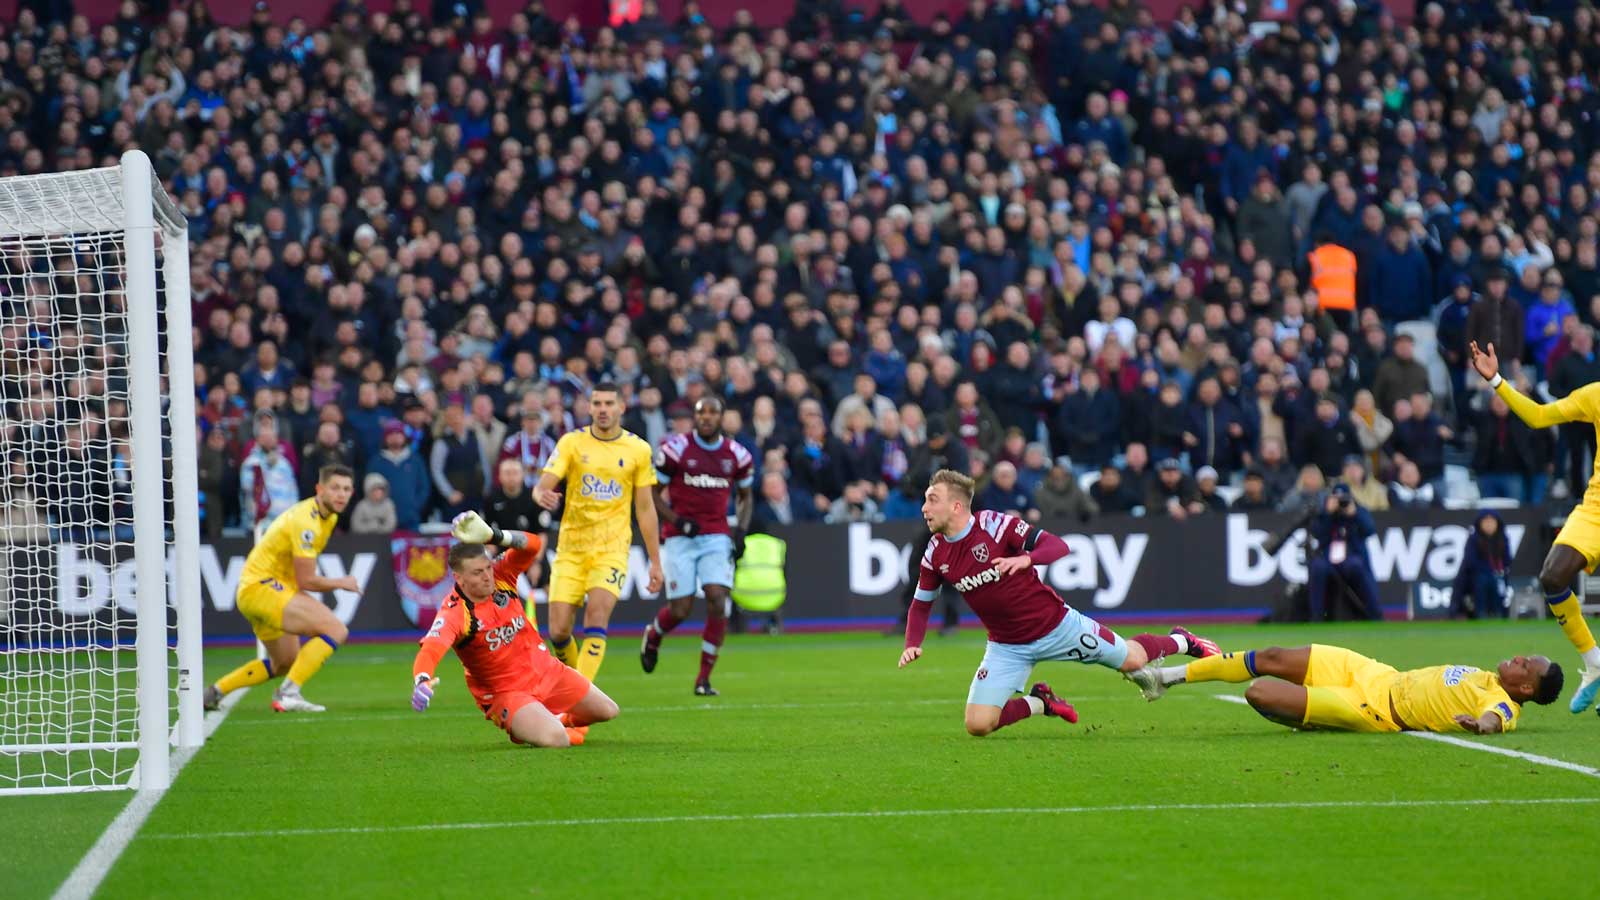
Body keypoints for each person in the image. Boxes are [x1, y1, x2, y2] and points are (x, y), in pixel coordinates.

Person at [898, 469, 1221, 737]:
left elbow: (1058, 545)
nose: (925, 508)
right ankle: (1041, 702)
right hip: (1006, 646)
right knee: (978, 725)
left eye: (932, 500)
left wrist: (1028, 559)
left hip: (1058, 627)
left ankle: (1182, 640)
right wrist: (913, 643)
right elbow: (921, 604)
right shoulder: (934, 552)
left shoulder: (995, 525)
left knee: (1133, 661)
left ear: (956, 506)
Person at [410, 512, 618, 747]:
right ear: (459, 578)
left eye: (487, 567)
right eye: (478, 573)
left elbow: (534, 545)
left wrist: (494, 535)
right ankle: (530, 726)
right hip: (507, 693)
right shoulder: (455, 613)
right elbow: (431, 650)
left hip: (547, 671)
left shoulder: (501, 575)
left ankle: (553, 719)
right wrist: (422, 680)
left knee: (608, 710)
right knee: (557, 740)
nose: (488, 576)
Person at [1469, 340, 1600, 711]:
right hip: (1595, 509)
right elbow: (1540, 416)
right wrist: (1496, 380)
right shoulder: (1595, 395)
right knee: (1552, 578)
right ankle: (1594, 662)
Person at [1129, 644, 1562, 735]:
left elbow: (1495, 720)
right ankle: (1163, 679)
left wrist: (1480, 725)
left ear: (1525, 686)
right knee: (1275, 656)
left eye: (1526, 664)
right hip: (1377, 672)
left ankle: (1323, 721)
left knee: (1260, 692)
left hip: (1374, 709)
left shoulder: (1502, 701)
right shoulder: (1489, 675)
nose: (1520, 657)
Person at [533, 382, 665, 681]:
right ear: (589, 408)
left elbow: (645, 509)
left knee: (597, 615)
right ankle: (574, 686)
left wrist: (655, 561)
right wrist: (540, 494)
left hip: (612, 548)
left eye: (608, 403)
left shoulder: (638, 449)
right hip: (570, 548)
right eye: (597, 404)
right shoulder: (571, 442)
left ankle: (580, 696)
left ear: (621, 407)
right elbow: (544, 484)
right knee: (558, 631)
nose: (602, 410)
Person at [204, 465, 359, 713]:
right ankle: (288, 693)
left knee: (285, 662)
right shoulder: (306, 522)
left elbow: (300, 578)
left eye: (347, 489)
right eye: (335, 488)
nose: (341, 494)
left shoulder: (329, 517)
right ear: (319, 489)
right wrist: (342, 582)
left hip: (258, 590)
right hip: (263, 588)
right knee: (335, 629)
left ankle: (215, 692)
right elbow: (307, 580)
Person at [641, 397, 755, 695]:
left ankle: (703, 679)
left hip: (717, 535)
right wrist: (676, 521)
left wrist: (740, 531)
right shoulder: (676, 450)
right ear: (695, 417)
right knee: (681, 609)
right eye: (701, 413)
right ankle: (654, 634)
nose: (706, 417)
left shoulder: (737, 454)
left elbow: (746, 496)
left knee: (718, 599)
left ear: (722, 417)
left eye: (712, 412)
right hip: (681, 537)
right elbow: (652, 495)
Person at [1307, 483, 1380, 622]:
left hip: (1351, 555)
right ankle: (1316, 617)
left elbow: (1369, 530)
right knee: (1317, 567)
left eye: (1343, 498)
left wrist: (1354, 514)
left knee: (1356, 566)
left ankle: (1375, 614)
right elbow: (1317, 533)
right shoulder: (1325, 514)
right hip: (1327, 557)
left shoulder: (1358, 510)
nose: (1340, 502)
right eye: (1336, 498)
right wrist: (1328, 514)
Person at [1452, 512, 1511, 619]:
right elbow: (1470, 561)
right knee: (1483, 580)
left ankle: (1499, 613)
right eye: (1486, 522)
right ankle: (1480, 613)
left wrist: (1497, 570)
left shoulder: (1502, 538)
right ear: (1480, 523)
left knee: (1497, 581)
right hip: (1477, 575)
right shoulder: (1474, 539)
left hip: (1498, 574)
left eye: (1492, 522)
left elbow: (1507, 560)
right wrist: (1488, 570)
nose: (1489, 525)